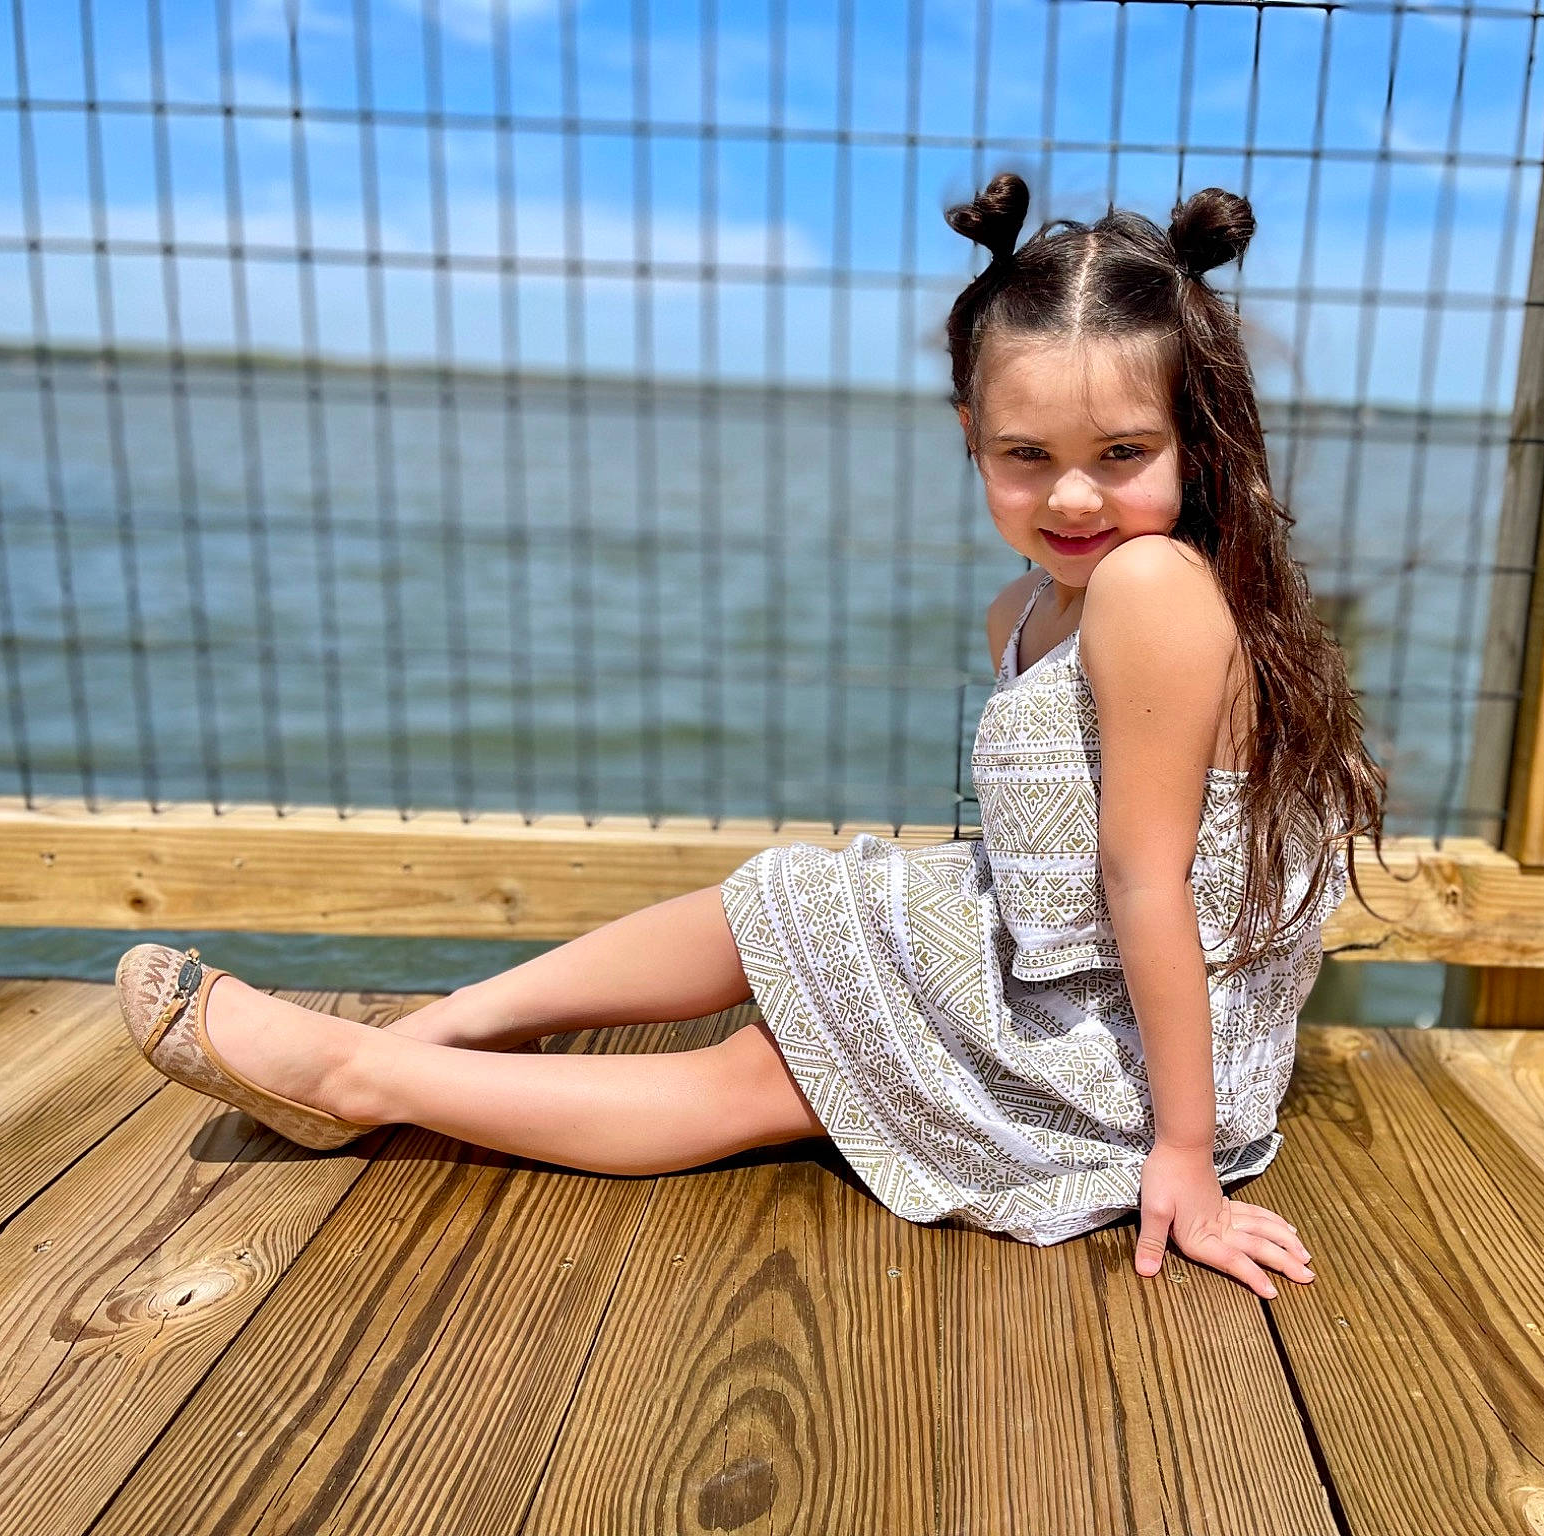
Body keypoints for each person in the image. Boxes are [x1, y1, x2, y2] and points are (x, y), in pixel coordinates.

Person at [114, 171, 1386, 1302]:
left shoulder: (1149, 588)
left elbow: (1143, 878)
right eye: (1022, 454)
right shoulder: (1028, 604)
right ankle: (438, 1029)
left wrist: (1181, 1155)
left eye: (1122, 452)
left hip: (1132, 1047)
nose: (1066, 493)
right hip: (1053, 957)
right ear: (968, 439)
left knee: (766, 1074)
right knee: (789, 898)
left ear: (1191, 442)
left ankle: (356, 1082)